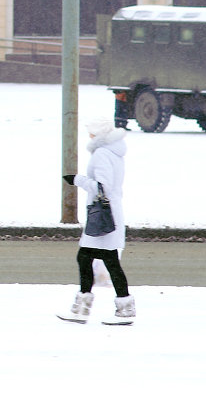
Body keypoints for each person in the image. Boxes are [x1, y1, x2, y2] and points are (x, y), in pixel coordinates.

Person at [60, 118, 135, 324]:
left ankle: (84, 308)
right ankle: (119, 308)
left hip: (102, 216)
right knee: (102, 260)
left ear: (99, 135)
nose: (89, 135)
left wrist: (77, 180)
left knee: (90, 259)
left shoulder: (102, 154)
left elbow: (104, 187)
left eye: (92, 132)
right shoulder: (114, 152)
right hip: (109, 214)